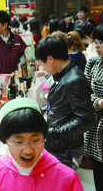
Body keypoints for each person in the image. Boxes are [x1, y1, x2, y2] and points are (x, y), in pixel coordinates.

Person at [0, 98, 84, 191]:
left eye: (36, 140)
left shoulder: (67, 178)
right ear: (5, 140)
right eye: (18, 142)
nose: (28, 151)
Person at [35, 35, 95, 171]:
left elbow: (85, 120)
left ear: (50, 58)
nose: (41, 66)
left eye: (41, 61)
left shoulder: (74, 80)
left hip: (66, 150)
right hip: (59, 145)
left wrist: (52, 134)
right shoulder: (62, 74)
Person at [0, 10, 26, 90]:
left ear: (5, 25)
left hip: (13, 78)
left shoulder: (17, 39)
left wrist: (15, 61)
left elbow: (22, 52)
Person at [84, 24, 103, 191]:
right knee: (98, 170)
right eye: (95, 42)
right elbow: (83, 94)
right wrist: (100, 102)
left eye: (101, 43)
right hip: (97, 126)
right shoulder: (93, 63)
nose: (97, 46)